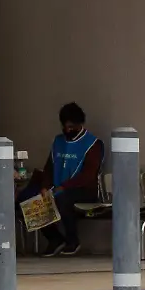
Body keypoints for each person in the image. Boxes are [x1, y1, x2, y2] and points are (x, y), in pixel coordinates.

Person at [20, 102, 105, 256]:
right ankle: (55, 239)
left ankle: (73, 241)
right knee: (32, 200)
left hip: (84, 190)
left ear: (80, 124)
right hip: (57, 188)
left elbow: (88, 176)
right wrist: (45, 186)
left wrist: (63, 187)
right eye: (65, 126)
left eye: (72, 127)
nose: (68, 130)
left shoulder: (93, 144)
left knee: (62, 199)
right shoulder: (58, 141)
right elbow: (49, 168)